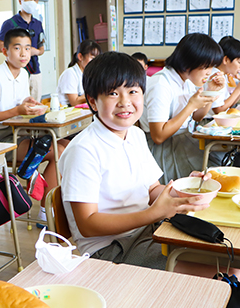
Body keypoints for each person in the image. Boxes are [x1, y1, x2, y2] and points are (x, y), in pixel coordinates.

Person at [58, 52, 210, 269]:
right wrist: (152, 214)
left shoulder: (135, 134)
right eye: (112, 93)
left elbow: (152, 190)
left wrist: (184, 190)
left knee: (220, 250)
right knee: (208, 264)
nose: (125, 102)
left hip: (147, 230)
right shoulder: (84, 149)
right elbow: (87, 225)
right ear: (92, 101)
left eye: (133, 91)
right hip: (109, 250)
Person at [0, 28, 69, 222]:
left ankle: (50, 197)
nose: (23, 54)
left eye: (28, 48)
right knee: (58, 152)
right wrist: (17, 111)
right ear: (5, 51)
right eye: (17, 48)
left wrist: (27, 102)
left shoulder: (23, 74)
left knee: (67, 147)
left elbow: (18, 106)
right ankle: (46, 212)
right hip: (0, 141)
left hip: (20, 134)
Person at [139, 33, 225, 183]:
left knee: (215, 171)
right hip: (163, 151)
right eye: (206, 66)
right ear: (188, 62)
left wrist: (211, 93)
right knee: (207, 178)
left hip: (182, 142)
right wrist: (191, 105)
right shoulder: (161, 84)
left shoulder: (185, 81)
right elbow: (158, 136)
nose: (209, 72)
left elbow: (197, 116)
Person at [0, 0, 45, 102]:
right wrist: (19, 49)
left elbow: (42, 49)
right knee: (17, 104)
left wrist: (34, 51)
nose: (32, 2)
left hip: (35, 71)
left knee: (35, 103)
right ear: (20, 1)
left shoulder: (38, 24)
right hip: (16, 71)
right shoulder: (9, 23)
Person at [56, 40, 101, 107]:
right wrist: (95, 94)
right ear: (80, 57)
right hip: (66, 112)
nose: (95, 62)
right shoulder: (70, 73)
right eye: (92, 58)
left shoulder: (88, 74)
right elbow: (74, 102)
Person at [209, 36, 240, 115]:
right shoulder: (216, 76)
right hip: (208, 122)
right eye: (239, 62)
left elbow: (229, 104)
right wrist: (238, 90)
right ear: (226, 60)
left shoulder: (224, 75)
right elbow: (218, 110)